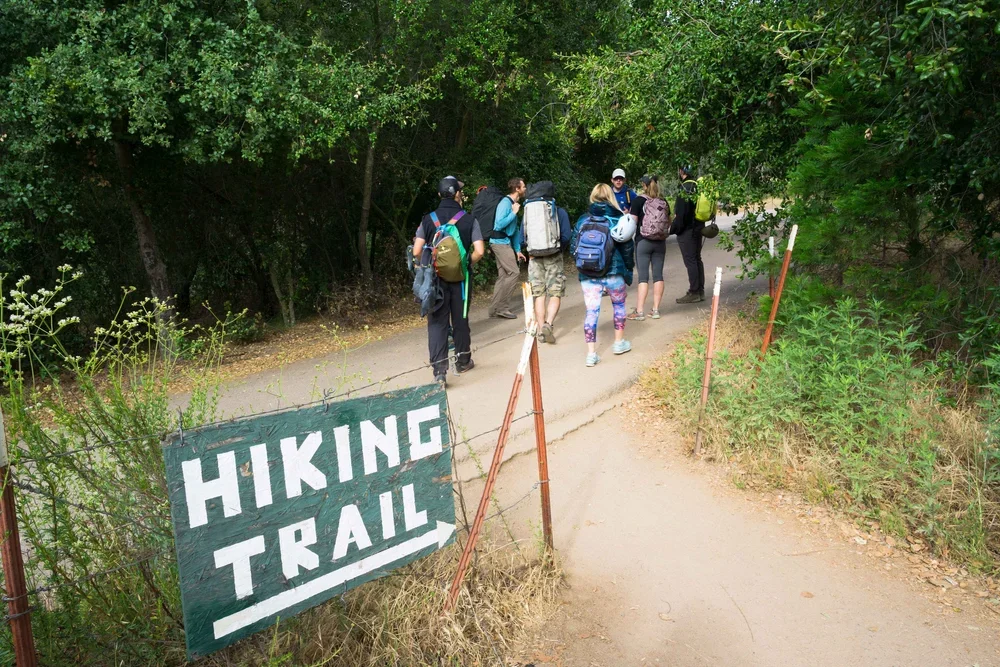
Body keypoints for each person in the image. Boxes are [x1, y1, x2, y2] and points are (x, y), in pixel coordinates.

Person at [412, 176, 485, 385]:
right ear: (457, 194)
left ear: (439, 195)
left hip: (436, 281)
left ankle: (440, 371)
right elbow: (479, 251)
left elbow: (417, 250)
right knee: (460, 320)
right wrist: (464, 263)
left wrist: (432, 263)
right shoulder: (469, 219)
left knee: (437, 322)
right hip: (461, 281)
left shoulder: (428, 219)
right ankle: (463, 361)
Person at [571, 184, 634, 367]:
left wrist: (585, 264)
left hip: (589, 274)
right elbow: (627, 248)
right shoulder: (618, 218)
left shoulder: (583, 220)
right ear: (610, 197)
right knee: (619, 306)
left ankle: (591, 354)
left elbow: (573, 248)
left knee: (591, 311)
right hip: (614, 272)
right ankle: (618, 343)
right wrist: (628, 270)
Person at [528, 197, 572, 343]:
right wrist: (558, 249)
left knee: (539, 293)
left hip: (534, 256)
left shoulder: (529, 210)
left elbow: (523, 236)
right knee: (555, 291)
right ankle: (549, 323)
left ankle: (541, 330)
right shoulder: (559, 211)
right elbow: (566, 236)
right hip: (554, 255)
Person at [627, 175, 669, 320]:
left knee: (643, 277)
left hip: (643, 241)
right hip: (660, 242)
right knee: (658, 275)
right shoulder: (663, 201)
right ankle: (655, 310)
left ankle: (639, 312)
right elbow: (668, 220)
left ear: (644, 186)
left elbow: (632, 222)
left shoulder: (638, 201)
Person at [488, 177, 527, 319]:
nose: (525, 189)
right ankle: (502, 308)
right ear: (517, 188)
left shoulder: (513, 203)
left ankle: (493, 309)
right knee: (514, 272)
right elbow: (499, 224)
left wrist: (517, 250)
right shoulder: (505, 203)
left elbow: (514, 230)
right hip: (499, 242)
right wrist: (514, 213)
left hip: (503, 242)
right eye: (523, 186)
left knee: (503, 275)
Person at [672, 165, 705, 303]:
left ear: (681, 171)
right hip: (698, 227)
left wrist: (674, 229)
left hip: (687, 230)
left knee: (690, 260)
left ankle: (694, 292)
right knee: (697, 258)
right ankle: (700, 290)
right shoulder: (697, 186)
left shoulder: (685, 188)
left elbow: (682, 214)